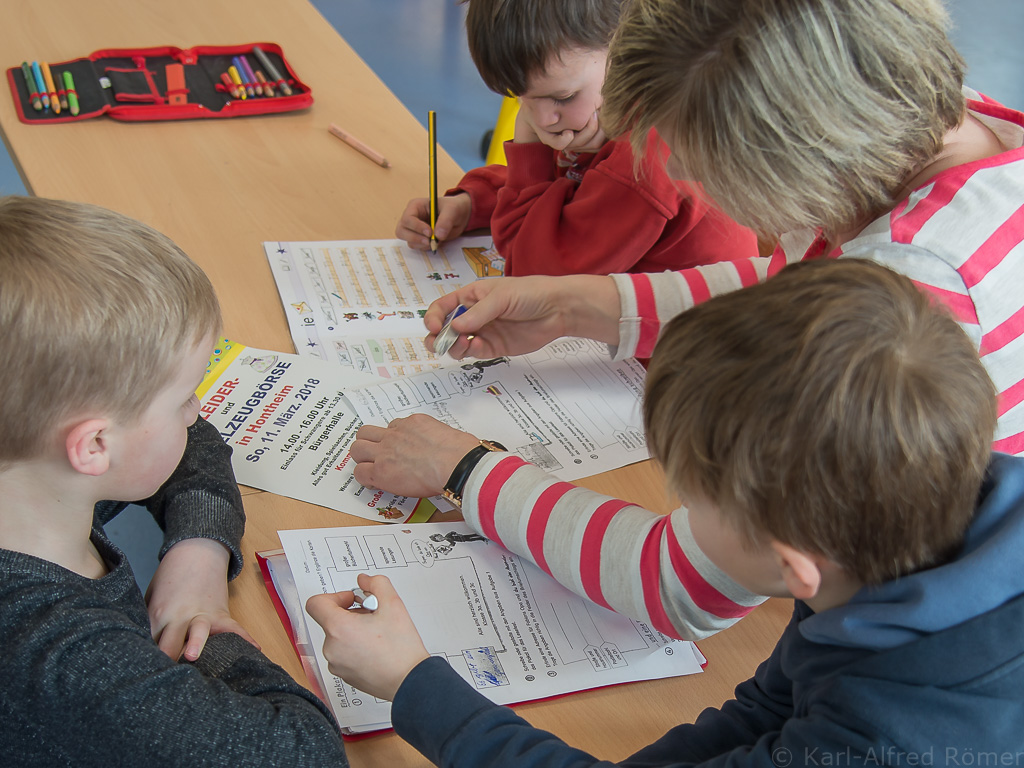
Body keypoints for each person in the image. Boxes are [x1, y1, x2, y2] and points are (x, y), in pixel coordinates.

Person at [344, 0, 1024, 644]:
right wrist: (577, 306)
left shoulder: (918, 294)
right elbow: (801, 285)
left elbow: (681, 583)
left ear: (794, 164)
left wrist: (462, 469)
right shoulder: (933, 125)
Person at [309, 258, 1024, 764]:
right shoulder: (886, 534)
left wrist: (414, 686)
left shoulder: (886, 740)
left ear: (789, 567)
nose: (674, 515)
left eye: (691, 498)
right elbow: (771, 707)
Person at [0, 196, 347, 765]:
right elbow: (304, 754)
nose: (196, 412)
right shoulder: (71, 658)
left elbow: (191, 445)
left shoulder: (32, 478)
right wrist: (205, 642)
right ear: (93, 446)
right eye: (184, 396)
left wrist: (198, 559)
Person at [394, 0, 758, 276]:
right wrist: (474, 204)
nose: (541, 119)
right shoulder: (601, 109)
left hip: (667, 363)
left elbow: (531, 271)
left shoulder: (643, 159)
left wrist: (528, 146)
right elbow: (573, 189)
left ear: (627, 49)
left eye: (562, 97)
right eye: (521, 97)